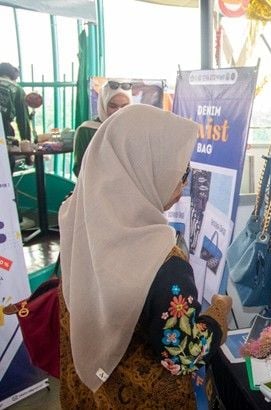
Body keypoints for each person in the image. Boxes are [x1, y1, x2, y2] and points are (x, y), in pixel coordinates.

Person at [58, 104, 232, 408]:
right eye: (180, 170)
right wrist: (218, 314)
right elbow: (185, 353)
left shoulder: (78, 220)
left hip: (91, 393)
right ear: (143, 170)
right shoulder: (165, 265)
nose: (184, 181)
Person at [72, 80, 133, 176]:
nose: (119, 111)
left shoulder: (133, 130)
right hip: (96, 188)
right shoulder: (86, 130)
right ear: (102, 104)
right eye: (113, 106)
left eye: (124, 106)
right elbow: (79, 169)